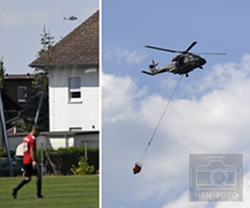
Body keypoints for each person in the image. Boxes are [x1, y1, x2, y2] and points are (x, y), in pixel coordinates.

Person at [12, 126, 43, 199]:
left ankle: (16, 189)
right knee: (38, 176)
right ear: (35, 131)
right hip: (31, 160)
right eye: (38, 133)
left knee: (28, 178)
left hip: (25, 160)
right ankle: (38, 194)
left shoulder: (26, 138)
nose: (38, 134)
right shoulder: (32, 139)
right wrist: (34, 162)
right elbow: (31, 150)